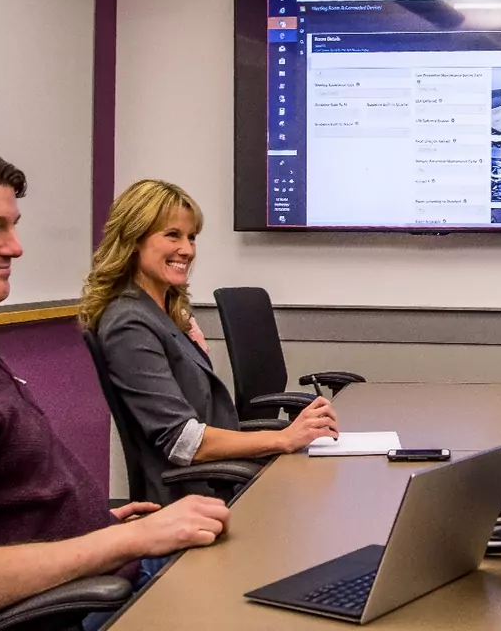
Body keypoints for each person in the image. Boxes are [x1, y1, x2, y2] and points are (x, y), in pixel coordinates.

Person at [0, 131, 230, 630]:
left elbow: (11, 507)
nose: (15, 247)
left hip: (98, 572)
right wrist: (127, 541)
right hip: (84, 606)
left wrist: (97, 525)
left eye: (14, 227)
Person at [79, 179, 339, 505]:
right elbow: (183, 441)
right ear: (133, 240)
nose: (187, 250)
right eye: (172, 235)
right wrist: (283, 438)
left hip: (214, 485)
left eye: (191, 238)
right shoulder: (129, 325)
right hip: (192, 501)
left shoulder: (163, 314)